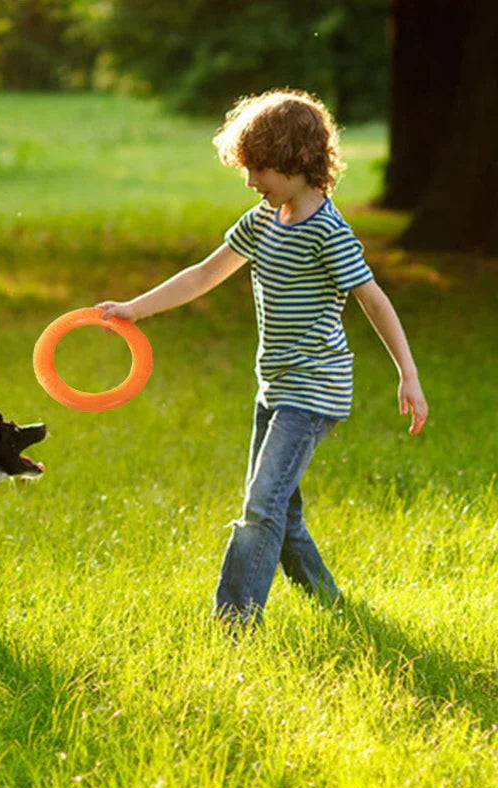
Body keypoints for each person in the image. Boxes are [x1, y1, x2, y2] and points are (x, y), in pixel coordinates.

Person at [97, 89, 428, 626]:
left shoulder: (329, 232)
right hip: (273, 387)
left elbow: (374, 299)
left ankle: (234, 623)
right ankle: (332, 604)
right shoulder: (263, 220)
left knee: (260, 507)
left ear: (297, 162)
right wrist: (135, 308)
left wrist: (408, 375)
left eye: (260, 169)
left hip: (315, 391)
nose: (251, 182)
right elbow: (205, 273)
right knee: (283, 510)